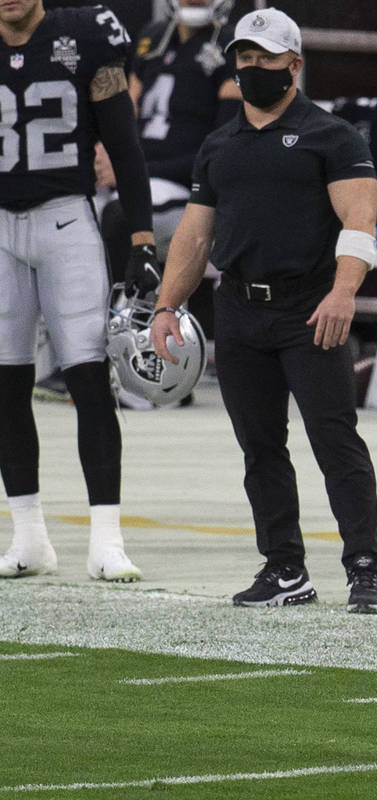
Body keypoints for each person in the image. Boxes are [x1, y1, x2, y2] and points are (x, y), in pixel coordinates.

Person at [149, 7, 377, 614]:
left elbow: (361, 223)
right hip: (239, 307)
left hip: (311, 307)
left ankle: (363, 566)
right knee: (260, 446)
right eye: (244, 58)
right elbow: (193, 238)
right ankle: (284, 567)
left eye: (265, 58)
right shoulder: (220, 143)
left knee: (334, 439)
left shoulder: (331, 135)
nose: (252, 68)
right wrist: (166, 306)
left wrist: (343, 291)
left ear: (294, 64)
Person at [0, 0, 159, 582]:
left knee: (89, 379)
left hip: (66, 219)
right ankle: (29, 537)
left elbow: (123, 143)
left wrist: (142, 236)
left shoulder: (86, 34)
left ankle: (106, 540)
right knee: (6, 381)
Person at [96, 0, 240, 334]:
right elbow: (122, 119)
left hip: (185, 186)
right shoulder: (152, 37)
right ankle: (77, 348)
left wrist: (134, 172)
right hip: (137, 178)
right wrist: (105, 154)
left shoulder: (232, 45)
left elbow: (225, 148)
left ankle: (124, 335)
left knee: (119, 218)